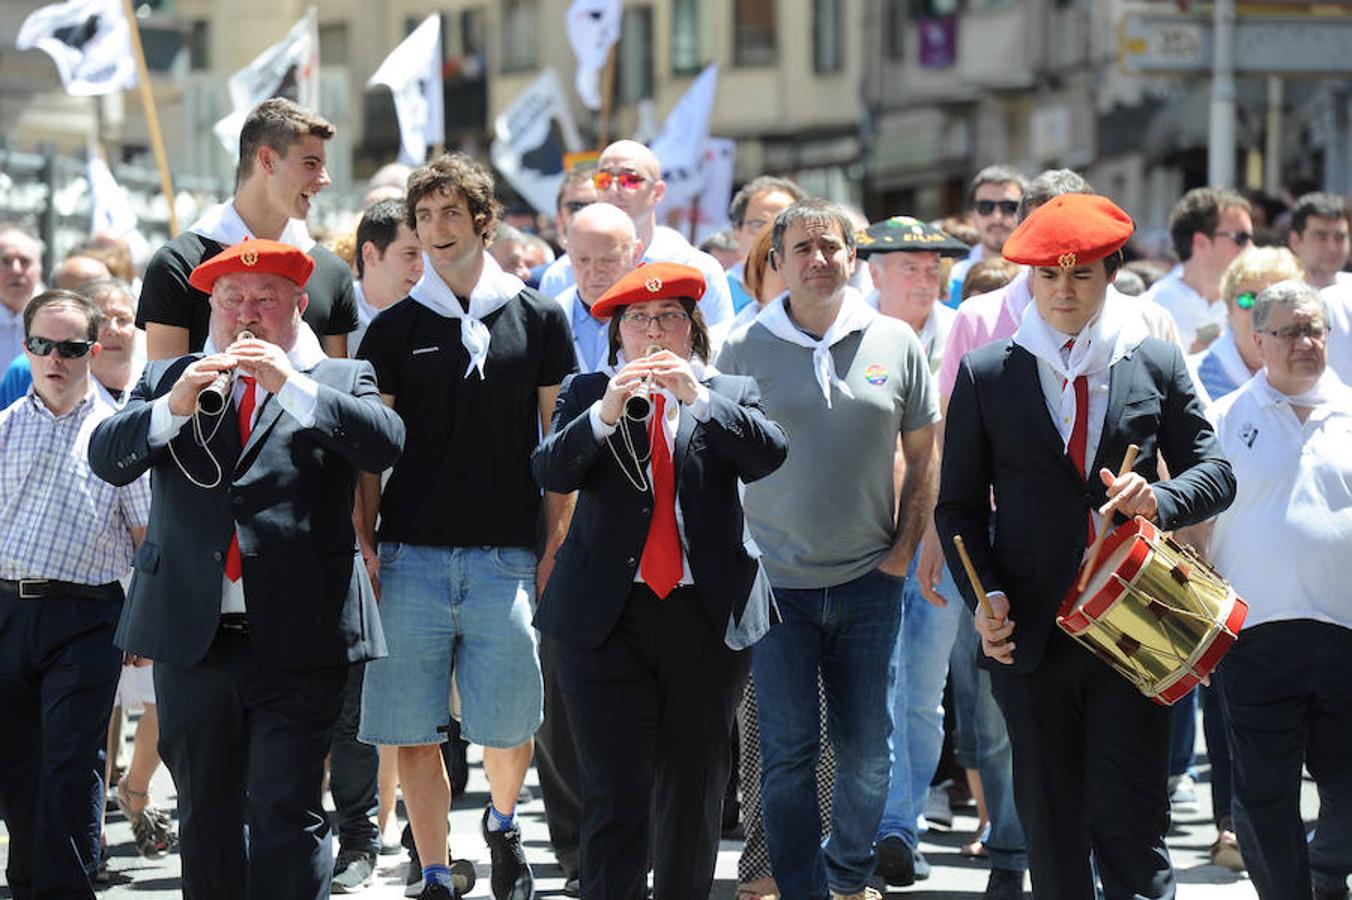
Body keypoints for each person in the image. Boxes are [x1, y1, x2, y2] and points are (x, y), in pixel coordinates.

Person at [936, 193, 1236, 900]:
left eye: (1082, 276)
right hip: (1029, 635)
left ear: (1110, 276)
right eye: (1049, 277)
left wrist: (1158, 500)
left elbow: (1215, 471)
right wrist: (986, 598)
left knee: (1133, 827)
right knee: (1053, 833)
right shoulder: (986, 373)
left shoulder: (1153, 361)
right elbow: (956, 507)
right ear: (1030, 282)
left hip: (1134, 626)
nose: (1064, 292)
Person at [87, 239, 404, 900]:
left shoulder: (339, 379)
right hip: (194, 637)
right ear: (212, 310)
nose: (248, 313)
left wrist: (291, 385)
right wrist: (173, 407)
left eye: (265, 298)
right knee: (205, 814)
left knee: (286, 809)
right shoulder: (168, 378)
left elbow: (383, 442)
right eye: (232, 300)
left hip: (300, 636)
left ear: (297, 305)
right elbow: (107, 458)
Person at [356, 153, 575, 900]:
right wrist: (365, 540)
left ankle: (505, 827)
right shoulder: (389, 329)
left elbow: (559, 445)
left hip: (507, 554)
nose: (436, 229)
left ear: (483, 220)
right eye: (423, 217)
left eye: (451, 213)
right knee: (412, 728)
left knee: (511, 723)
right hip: (409, 552)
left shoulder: (540, 316)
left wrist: (556, 547)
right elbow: (368, 456)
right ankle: (437, 870)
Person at [532, 261, 787, 899]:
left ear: (691, 330)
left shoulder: (729, 389)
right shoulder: (590, 390)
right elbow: (551, 472)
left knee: (695, 785)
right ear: (618, 334)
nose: (653, 332)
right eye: (639, 320)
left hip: (704, 613)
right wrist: (606, 413)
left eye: (668, 318)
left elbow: (769, 454)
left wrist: (697, 396)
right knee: (615, 790)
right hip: (606, 618)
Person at [717, 199, 940, 900]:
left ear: (854, 257)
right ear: (776, 262)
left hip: (870, 580)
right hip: (775, 586)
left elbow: (926, 454)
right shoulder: (741, 346)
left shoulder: (895, 341)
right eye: (803, 248)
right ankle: (805, 887)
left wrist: (903, 550)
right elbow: (714, 463)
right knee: (788, 755)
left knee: (869, 755)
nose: (819, 259)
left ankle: (847, 873)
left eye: (832, 247)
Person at [0, 289, 151, 899]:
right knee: (15, 764)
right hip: (6, 608)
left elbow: (147, 540)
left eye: (68, 347)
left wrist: (145, 622)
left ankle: (64, 889)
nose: (53, 358)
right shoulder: (4, 428)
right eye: (40, 345)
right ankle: (32, 881)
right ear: (26, 347)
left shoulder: (117, 433)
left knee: (67, 762)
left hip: (87, 616)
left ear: (92, 350)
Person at [1205, 280, 1352, 900]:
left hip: (1344, 634)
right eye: (1289, 331)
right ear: (1258, 339)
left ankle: (1326, 869)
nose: (1305, 342)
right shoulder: (1221, 419)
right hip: (1254, 635)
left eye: (1314, 328)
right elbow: (1193, 529)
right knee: (1264, 792)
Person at [854, 215, 971, 887]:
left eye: (934, 267)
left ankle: (899, 825)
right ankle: (865, 822)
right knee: (867, 689)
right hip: (857, 539)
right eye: (908, 265)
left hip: (942, 543)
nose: (925, 276)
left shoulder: (965, 333)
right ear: (873, 270)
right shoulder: (848, 330)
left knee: (921, 693)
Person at [136, 98, 357, 360]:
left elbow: (336, 393)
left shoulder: (331, 272)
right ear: (267, 160)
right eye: (311, 163)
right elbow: (163, 391)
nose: (325, 179)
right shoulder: (178, 265)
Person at [538, 140, 734, 327]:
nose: (614, 190)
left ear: (657, 192)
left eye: (630, 180)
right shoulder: (561, 275)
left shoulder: (699, 269)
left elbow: (716, 352)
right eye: (604, 180)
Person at [1192, 247, 1307, 407]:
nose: (1260, 310)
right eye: (1248, 299)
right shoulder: (1193, 378)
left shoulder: (1311, 378)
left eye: (1276, 299)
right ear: (1228, 308)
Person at [1143, 188, 1254, 353]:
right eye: (1241, 238)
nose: (1252, 248)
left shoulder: (1253, 301)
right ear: (1201, 242)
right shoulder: (1152, 309)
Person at [557, 202, 644, 374]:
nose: (594, 271)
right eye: (583, 260)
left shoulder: (660, 321)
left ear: (635, 253)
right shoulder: (545, 319)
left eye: (607, 260)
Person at [349, 197, 423, 358]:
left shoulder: (437, 317)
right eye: (410, 254)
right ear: (370, 254)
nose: (421, 267)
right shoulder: (331, 315)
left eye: (427, 255)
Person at [946, 166, 1028, 305]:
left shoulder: (1042, 275)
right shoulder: (952, 279)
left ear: (1025, 213)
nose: (997, 218)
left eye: (1009, 207)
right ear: (972, 214)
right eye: (985, 207)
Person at [727, 177, 807, 313]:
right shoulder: (717, 290)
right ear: (737, 233)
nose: (770, 234)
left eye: (784, 224)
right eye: (759, 225)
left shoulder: (816, 290)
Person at [1286, 192, 1350, 289]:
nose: (1332, 248)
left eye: (1340, 237)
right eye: (1321, 237)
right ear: (1295, 241)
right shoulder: (1278, 296)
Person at [0, 223, 43, 366]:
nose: (16, 270)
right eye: (6, 261)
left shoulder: (59, 319)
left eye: (25, 261)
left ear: (39, 269)